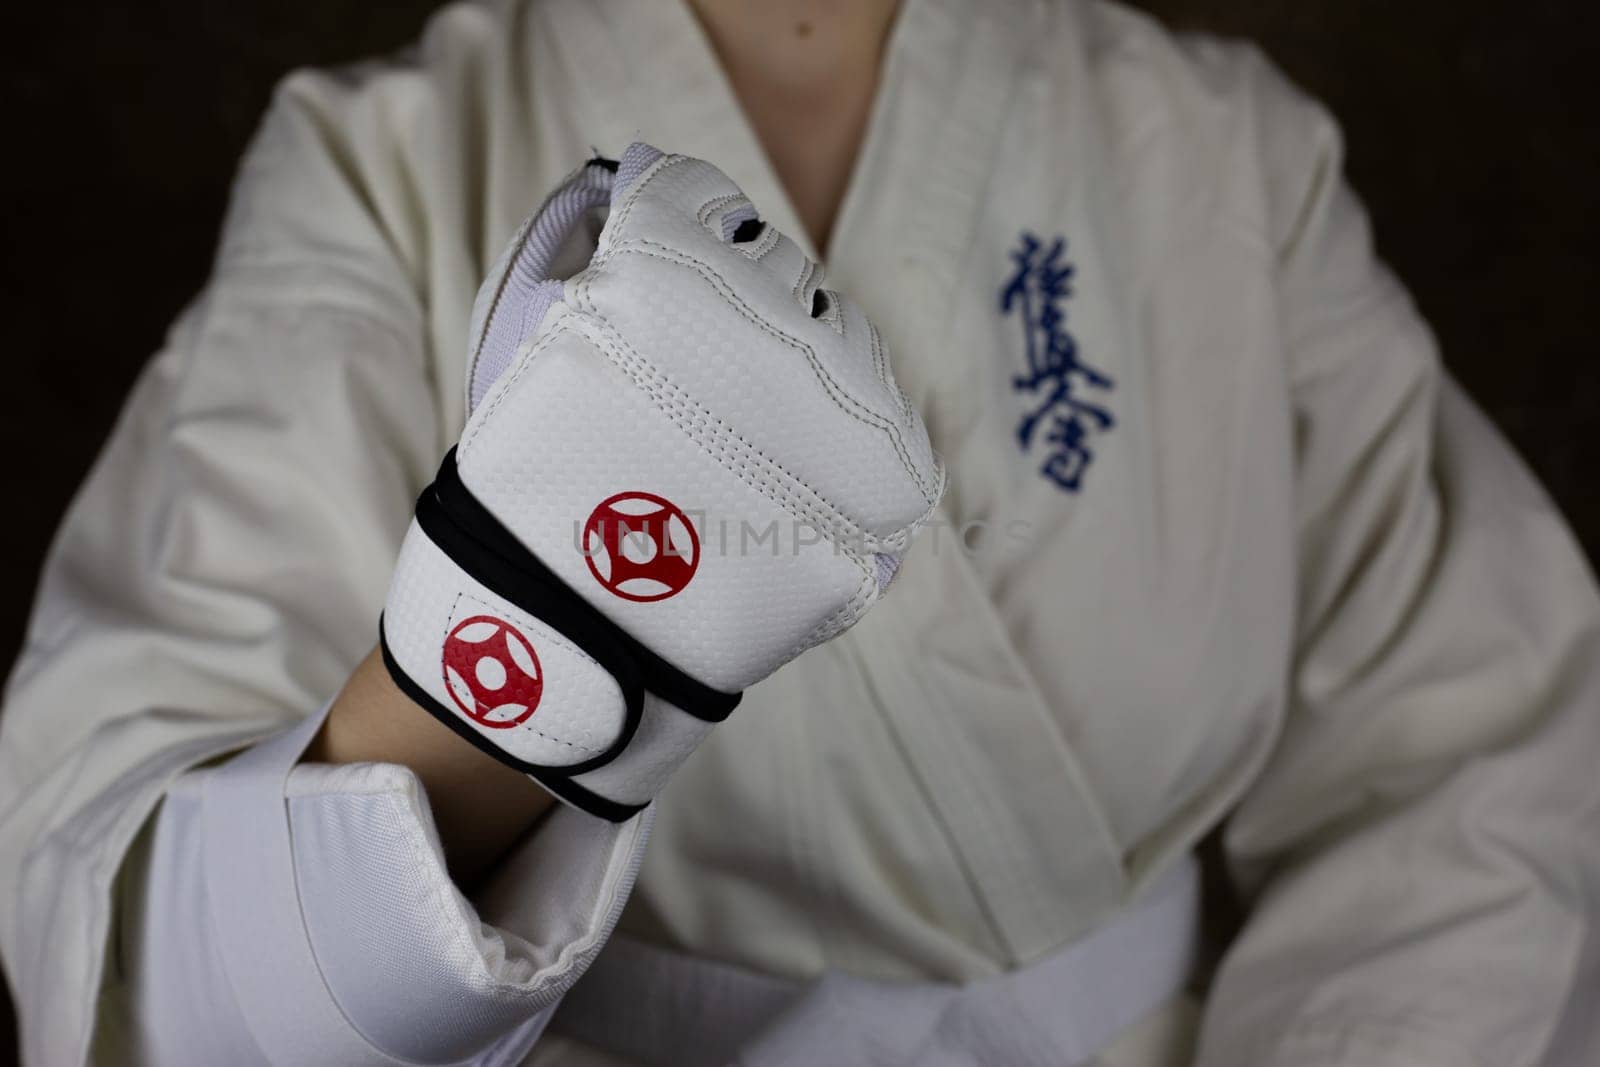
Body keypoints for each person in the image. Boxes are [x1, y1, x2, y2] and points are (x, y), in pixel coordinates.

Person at [2, 0, 1596, 1063]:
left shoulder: (1222, 144)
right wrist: (541, 650)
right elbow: (166, 969)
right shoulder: (386, 166)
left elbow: (1485, 750)